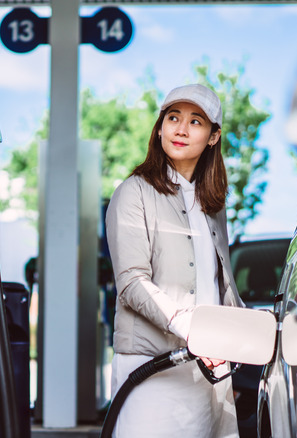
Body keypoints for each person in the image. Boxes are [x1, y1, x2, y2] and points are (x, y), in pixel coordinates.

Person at [105, 83, 244, 437]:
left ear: (213, 137)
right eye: (173, 118)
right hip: (154, 369)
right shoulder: (134, 192)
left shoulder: (213, 204)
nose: (181, 129)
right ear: (160, 127)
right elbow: (132, 282)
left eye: (196, 121)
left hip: (210, 370)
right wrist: (193, 330)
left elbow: (220, 285)